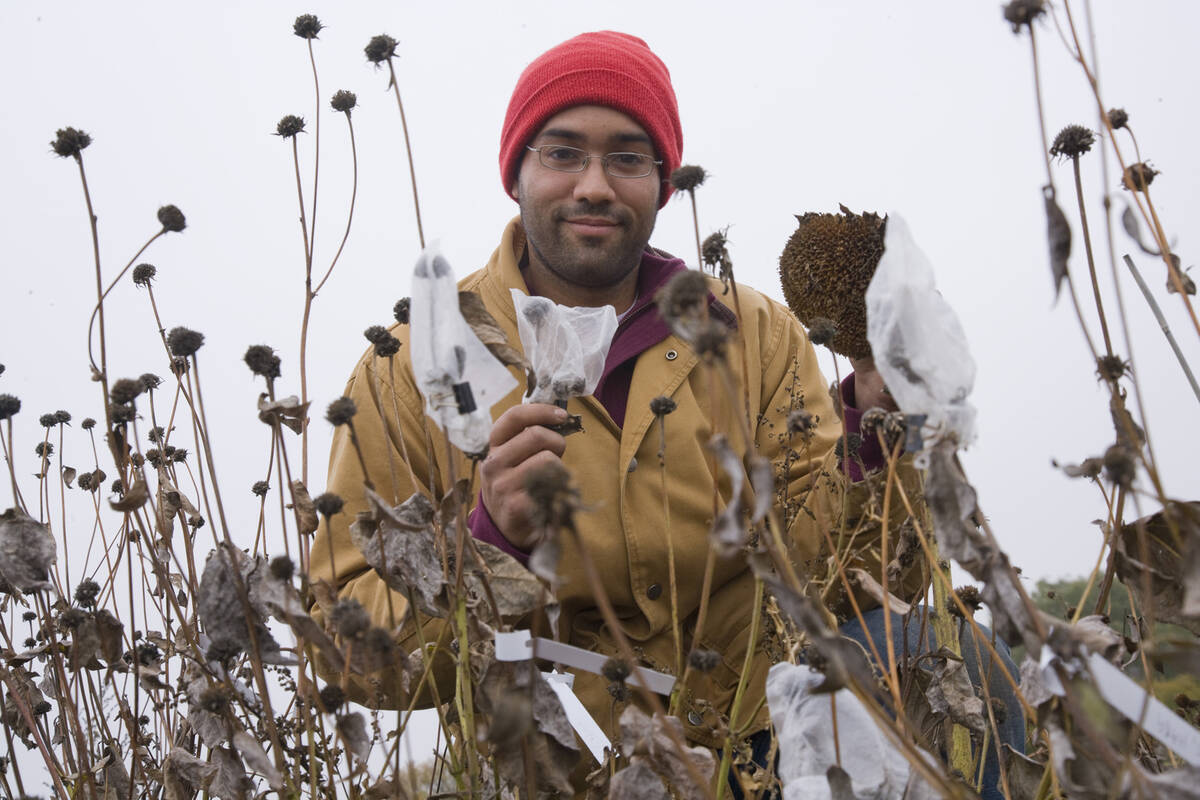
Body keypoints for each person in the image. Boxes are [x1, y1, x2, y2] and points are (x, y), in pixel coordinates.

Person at [310, 30, 1017, 798]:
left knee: (956, 659)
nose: (594, 186)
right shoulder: (413, 364)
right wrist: (489, 549)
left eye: (627, 158)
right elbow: (350, 654)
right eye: (562, 153)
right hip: (563, 766)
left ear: (664, 182)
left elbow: (843, 581)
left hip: (768, 731)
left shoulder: (755, 333)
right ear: (515, 173)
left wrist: (879, 432)